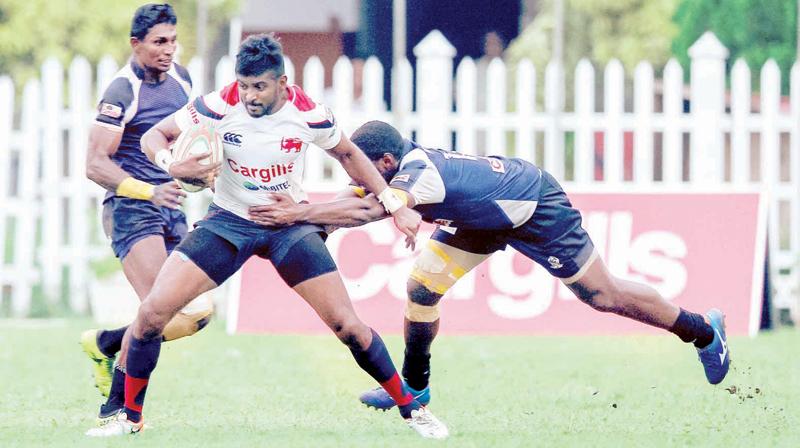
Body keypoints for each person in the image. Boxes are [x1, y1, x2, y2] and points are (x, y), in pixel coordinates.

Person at [86, 34, 448, 439]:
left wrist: (393, 203)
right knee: (153, 313)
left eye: (259, 86)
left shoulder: (308, 112)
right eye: (243, 85)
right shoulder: (220, 103)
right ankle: (128, 417)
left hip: (286, 225)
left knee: (348, 327)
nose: (249, 96)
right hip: (228, 222)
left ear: (283, 82)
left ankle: (412, 410)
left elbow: (347, 153)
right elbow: (155, 136)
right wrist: (172, 164)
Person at [247, 120, 731, 411]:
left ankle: (704, 331)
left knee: (601, 296)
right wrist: (318, 221)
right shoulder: (394, 170)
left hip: (532, 204)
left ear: (386, 161)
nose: (355, 174)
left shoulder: (421, 176)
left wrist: (298, 213)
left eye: (359, 165)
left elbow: (372, 209)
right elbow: (354, 199)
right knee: (420, 289)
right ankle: (415, 389)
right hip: (476, 217)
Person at [81, 2, 215, 428]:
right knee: (157, 314)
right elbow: (95, 165)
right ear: (135, 44)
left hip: (170, 206)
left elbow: (185, 140)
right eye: (159, 42)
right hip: (131, 210)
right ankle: (116, 411)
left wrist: (202, 173)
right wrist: (149, 190)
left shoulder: (182, 78)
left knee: (198, 315)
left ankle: (105, 344)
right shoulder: (122, 91)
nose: (169, 50)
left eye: (173, 40)